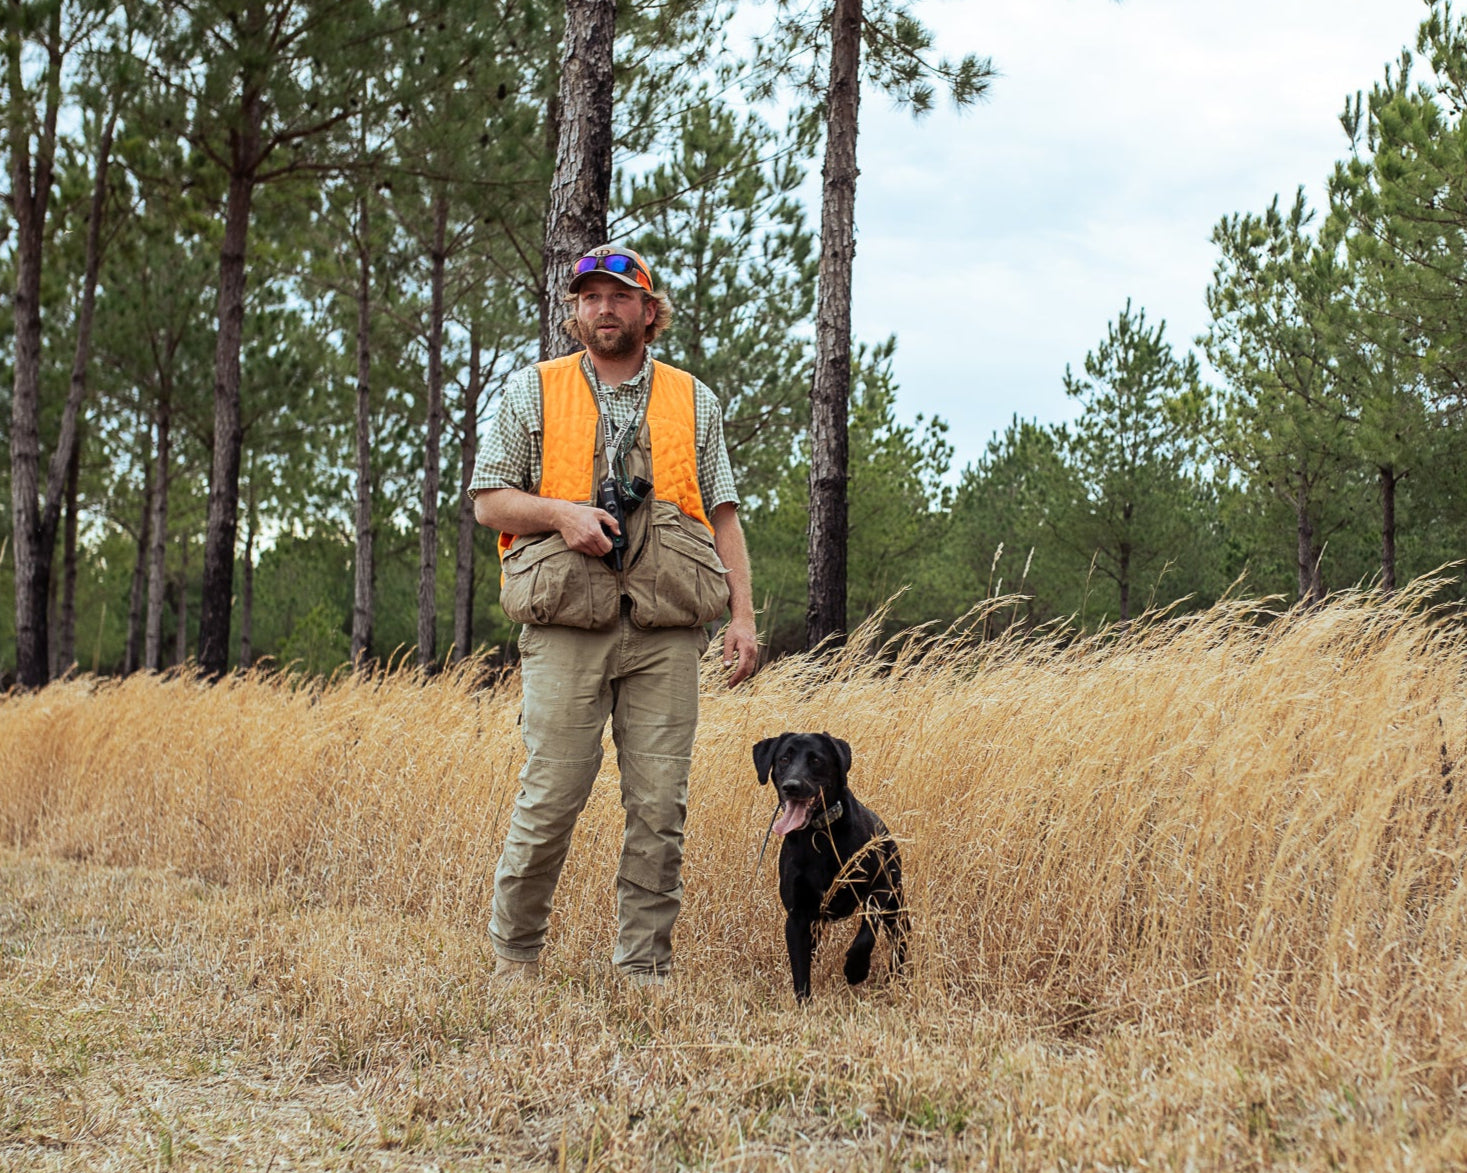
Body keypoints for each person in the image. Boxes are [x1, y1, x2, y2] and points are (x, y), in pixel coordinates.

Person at [469, 243, 758, 987]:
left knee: (660, 808)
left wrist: (743, 618)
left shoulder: (694, 398)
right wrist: (562, 516)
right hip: (567, 621)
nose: (605, 308)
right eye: (590, 296)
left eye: (621, 296)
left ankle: (643, 971)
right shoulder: (532, 391)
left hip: (666, 630)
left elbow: (722, 516)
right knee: (551, 796)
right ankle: (514, 961)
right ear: (574, 313)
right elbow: (487, 500)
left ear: (648, 311)